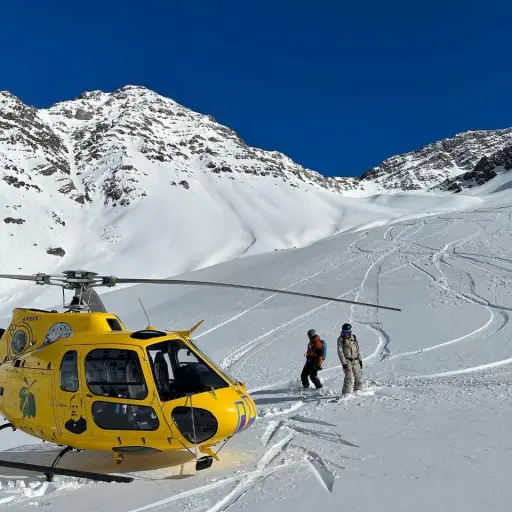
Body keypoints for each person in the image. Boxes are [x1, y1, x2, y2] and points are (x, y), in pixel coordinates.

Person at [337, 323, 363, 395]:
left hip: (356, 360)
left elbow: (357, 349)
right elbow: (340, 352)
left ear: (350, 331)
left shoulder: (354, 337)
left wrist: (360, 360)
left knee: (359, 376)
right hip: (347, 361)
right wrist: (344, 363)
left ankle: (358, 391)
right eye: (344, 332)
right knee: (349, 377)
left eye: (347, 332)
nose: (346, 334)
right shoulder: (341, 339)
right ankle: (346, 393)